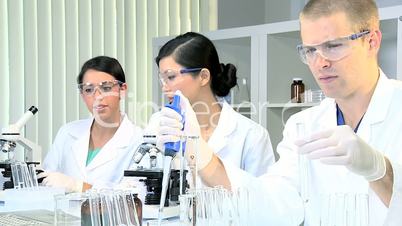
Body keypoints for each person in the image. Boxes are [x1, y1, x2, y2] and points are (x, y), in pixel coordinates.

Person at [157, 0, 402, 225]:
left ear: (372, 41)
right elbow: (273, 205)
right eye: (310, 50)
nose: (320, 62)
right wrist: (201, 154)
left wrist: (380, 170)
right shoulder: (303, 125)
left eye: (333, 46)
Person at [154, 32, 275, 181]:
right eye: (162, 78)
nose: (164, 87)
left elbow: (263, 197)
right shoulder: (159, 124)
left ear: (203, 76)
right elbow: (139, 187)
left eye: (171, 77)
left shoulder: (251, 135)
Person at [39, 56, 143, 193]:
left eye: (106, 88)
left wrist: (79, 187)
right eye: (88, 90)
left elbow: (134, 198)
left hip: (107, 215)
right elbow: (47, 180)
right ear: (82, 95)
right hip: (63, 214)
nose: (97, 96)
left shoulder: (140, 141)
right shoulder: (68, 132)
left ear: (122, 90)